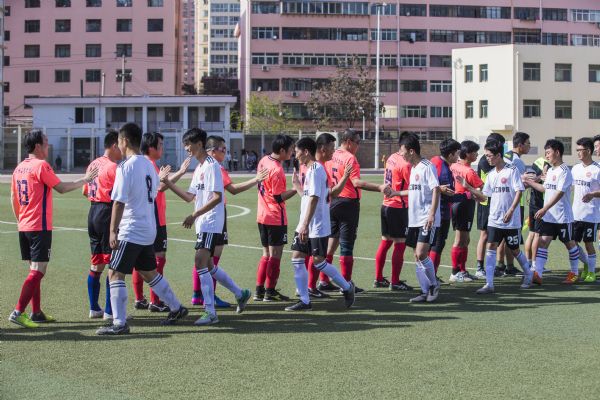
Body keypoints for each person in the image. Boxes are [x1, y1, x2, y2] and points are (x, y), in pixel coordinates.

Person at [96, 123, 188, 335]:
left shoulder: (125, 166)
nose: (118, 145)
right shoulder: (148, 165)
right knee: (149, 272)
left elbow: (118, 202)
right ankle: (176, 307)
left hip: (131, 229)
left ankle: (119, 323)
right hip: (148, 228)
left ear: (124, 141)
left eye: (119, 141)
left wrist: (113, 231)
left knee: (115, 274)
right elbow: (154, 193)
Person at [161, 128, 251, 325]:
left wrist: (194, 215)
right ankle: (240, 293)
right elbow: (189, 197)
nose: (186, 148)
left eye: (188, 144)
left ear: (199, 144)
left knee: (200, 262)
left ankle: (210, 312)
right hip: (203, 223)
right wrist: (168, 182)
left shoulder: (211, 166)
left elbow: (217, 197)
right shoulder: (200, 168)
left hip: (210, 222)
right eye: (185, 145)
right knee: (209, 265)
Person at [9, 130, 98, 328]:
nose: (48, 146)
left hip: (24, 225)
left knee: (34, 269)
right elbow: (62, 188)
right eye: (46, 142)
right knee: (39, 270)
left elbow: (13, 197)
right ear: (38, 146)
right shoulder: (41, 165)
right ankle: (18, 311)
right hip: (38, 226)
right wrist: (86, 179)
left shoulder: (19, 168)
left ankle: (36, 312)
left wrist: (20, 221)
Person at [191, 135, 267, 307]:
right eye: (222, 149)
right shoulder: (215, 167)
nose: (225, 152)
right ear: (211, 151)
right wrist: (256, 179)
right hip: (214, 215)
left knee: (202, 257)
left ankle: (198, 295)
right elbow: (233, 189)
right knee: (210, 259)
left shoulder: (201, 166)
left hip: (204, 216)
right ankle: (210, 297)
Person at [286, 137, 356, 311]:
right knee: (297, 258)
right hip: (306, 223)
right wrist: (298, 187)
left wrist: (305, 225)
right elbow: (309, 197)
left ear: (306, 152)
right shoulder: (312, 169)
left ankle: (347, 287)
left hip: (315, 225)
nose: (295, 155)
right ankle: (305, 301)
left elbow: (315, 199)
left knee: (318, 262)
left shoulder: (316, 170)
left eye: (297, 152)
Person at [319, 129, 390, 293]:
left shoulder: (332, 155)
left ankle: (323, 280)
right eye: (358, 142)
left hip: (332, 201)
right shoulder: (349, 158)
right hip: (348, 204)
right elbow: (356, 182)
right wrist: (379, 187)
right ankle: (346, 284)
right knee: (346, 245)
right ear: (349, 142)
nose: (359, 145)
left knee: (331, 244)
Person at [131, 132, 191, 313]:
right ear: (151, 148)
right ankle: (155, 301)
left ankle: (139, 298)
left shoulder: (143, 164)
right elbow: (160, 187)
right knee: (158, 259)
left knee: (140, 259)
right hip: (155, 218)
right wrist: (180, 172)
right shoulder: (149, 165)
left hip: (148, 216)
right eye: (161, 145)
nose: (163, 148)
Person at [463, 140, 532, 294]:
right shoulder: (491, 174)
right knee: (491, 247)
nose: (487, 158)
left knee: (515, 250)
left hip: (511, 220)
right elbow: (485, 196)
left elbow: (519, 191)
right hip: (494, 219)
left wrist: (511, 210)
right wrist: (470, 190)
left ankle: (528, 275)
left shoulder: (512, 170)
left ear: (498, 155)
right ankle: (489, 284)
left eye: (489, 156)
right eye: (486, 156)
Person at [525, 139, 583, 285]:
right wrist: (530, 182)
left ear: (557, 152)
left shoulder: (565, 171)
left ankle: (574, 273)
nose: (547, 156)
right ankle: (538, 274)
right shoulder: (550, 170)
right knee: (543, 242)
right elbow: (545, 189)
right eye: (545, 153)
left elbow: (559, 193)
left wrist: (544, 208)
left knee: (570, 244)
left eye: (548, 153)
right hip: (549, 217)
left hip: (563, 217)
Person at [303, 133, 353, 298]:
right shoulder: (317, 169)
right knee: (310, 258)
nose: (334, 151)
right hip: (314, 221)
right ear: (323, 149)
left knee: (309, 257)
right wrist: (305, 224)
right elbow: (313, 198)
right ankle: (343, 286)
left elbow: (330, 193)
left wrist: (345, 177)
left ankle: (308, 289)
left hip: (314, 220)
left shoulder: (319, 168)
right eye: (332, 148)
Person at [396, 133, 441, 303]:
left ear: (411, 151)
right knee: (416, 255)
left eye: (402, 151)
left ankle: (434, 284)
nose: (400, 154)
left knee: (422, 253)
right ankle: (424, 291)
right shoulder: (413, 168)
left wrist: (431, 214)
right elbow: (414, 190)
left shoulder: (427, 166)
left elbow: (436, 189)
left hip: (426, 218)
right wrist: (395, 193)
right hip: (414, 219)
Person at [83, 130, 122, 320]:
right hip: (107, 212)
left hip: (93, 213)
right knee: (112, 263)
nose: (123, 149)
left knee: (96, 263)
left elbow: (85, 191)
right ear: (114, 145)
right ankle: (109, 310)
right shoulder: (113, 167)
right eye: (121, 145)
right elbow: (120, 195)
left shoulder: (93, 163)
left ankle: (94, 308)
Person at [254, 135, 297, 302]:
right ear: (282, 150)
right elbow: (279, 197)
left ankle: (259, 290)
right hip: (275, 217)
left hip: (262, 215)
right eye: (291, 149)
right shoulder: (277, 169)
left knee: (266, 254)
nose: (293, 152)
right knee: (275, 255)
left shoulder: (263, 160)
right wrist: (296, 189)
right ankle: (270, 291)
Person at [373, 136, 413, 291]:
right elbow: (413, 188)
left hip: (386, 205)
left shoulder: (391, 157)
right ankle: (395, 282)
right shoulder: (405, 164)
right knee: (400, 244)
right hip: (398, 207)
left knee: (385, 242)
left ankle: (378, 278)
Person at [448, 140, 483, 282]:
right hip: (464, 205)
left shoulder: (454, 165)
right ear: (468, 154)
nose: (477, 155)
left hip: (457, 203)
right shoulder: (469, 171)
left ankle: (462, 270)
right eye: (475, 152)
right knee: (460, 240)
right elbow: (482, 190)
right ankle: (455, 272)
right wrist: (474, 193)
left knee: (465, 239)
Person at [429, 139, 464, 281]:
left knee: (431, 244)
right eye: (457, 154)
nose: (458, 157)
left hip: (431, 210)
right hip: (441, 212)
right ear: (450, 155)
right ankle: (431, 276)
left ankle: (430, 275)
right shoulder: (444, 172)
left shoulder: (434, 160)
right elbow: (449, 196)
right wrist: (469, 195)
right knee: (438, 245)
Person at [498, 131, 531, 276]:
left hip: (501, 201)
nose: (529, 146)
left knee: (502, 235)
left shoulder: (505, 156)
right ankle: (510, 266)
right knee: (511, 236)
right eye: (528, 143)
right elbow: (521, 184)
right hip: (514, 203)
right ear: (520, 145)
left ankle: (500, 264)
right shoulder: (517, 161)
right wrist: (536, 180)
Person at [474, 133, 506, 278]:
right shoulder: (486, 161)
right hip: (486, 202)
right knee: (485, 234)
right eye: (501, 144)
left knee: (493, 235)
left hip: (493, 202)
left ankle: (494, 266)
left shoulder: (492, 159)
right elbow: (490, 183)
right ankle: (480, 267)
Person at [572, 137, 600, 282]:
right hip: (575, 213)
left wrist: (593, 194)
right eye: (576, 150)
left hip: (591, 214)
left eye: (580, 150)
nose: (577, 152)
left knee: (588, 244)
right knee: (573, 243)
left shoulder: (597, 169)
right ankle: (586, 265)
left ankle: (591, 273)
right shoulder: (575, 169)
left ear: (588, 151)